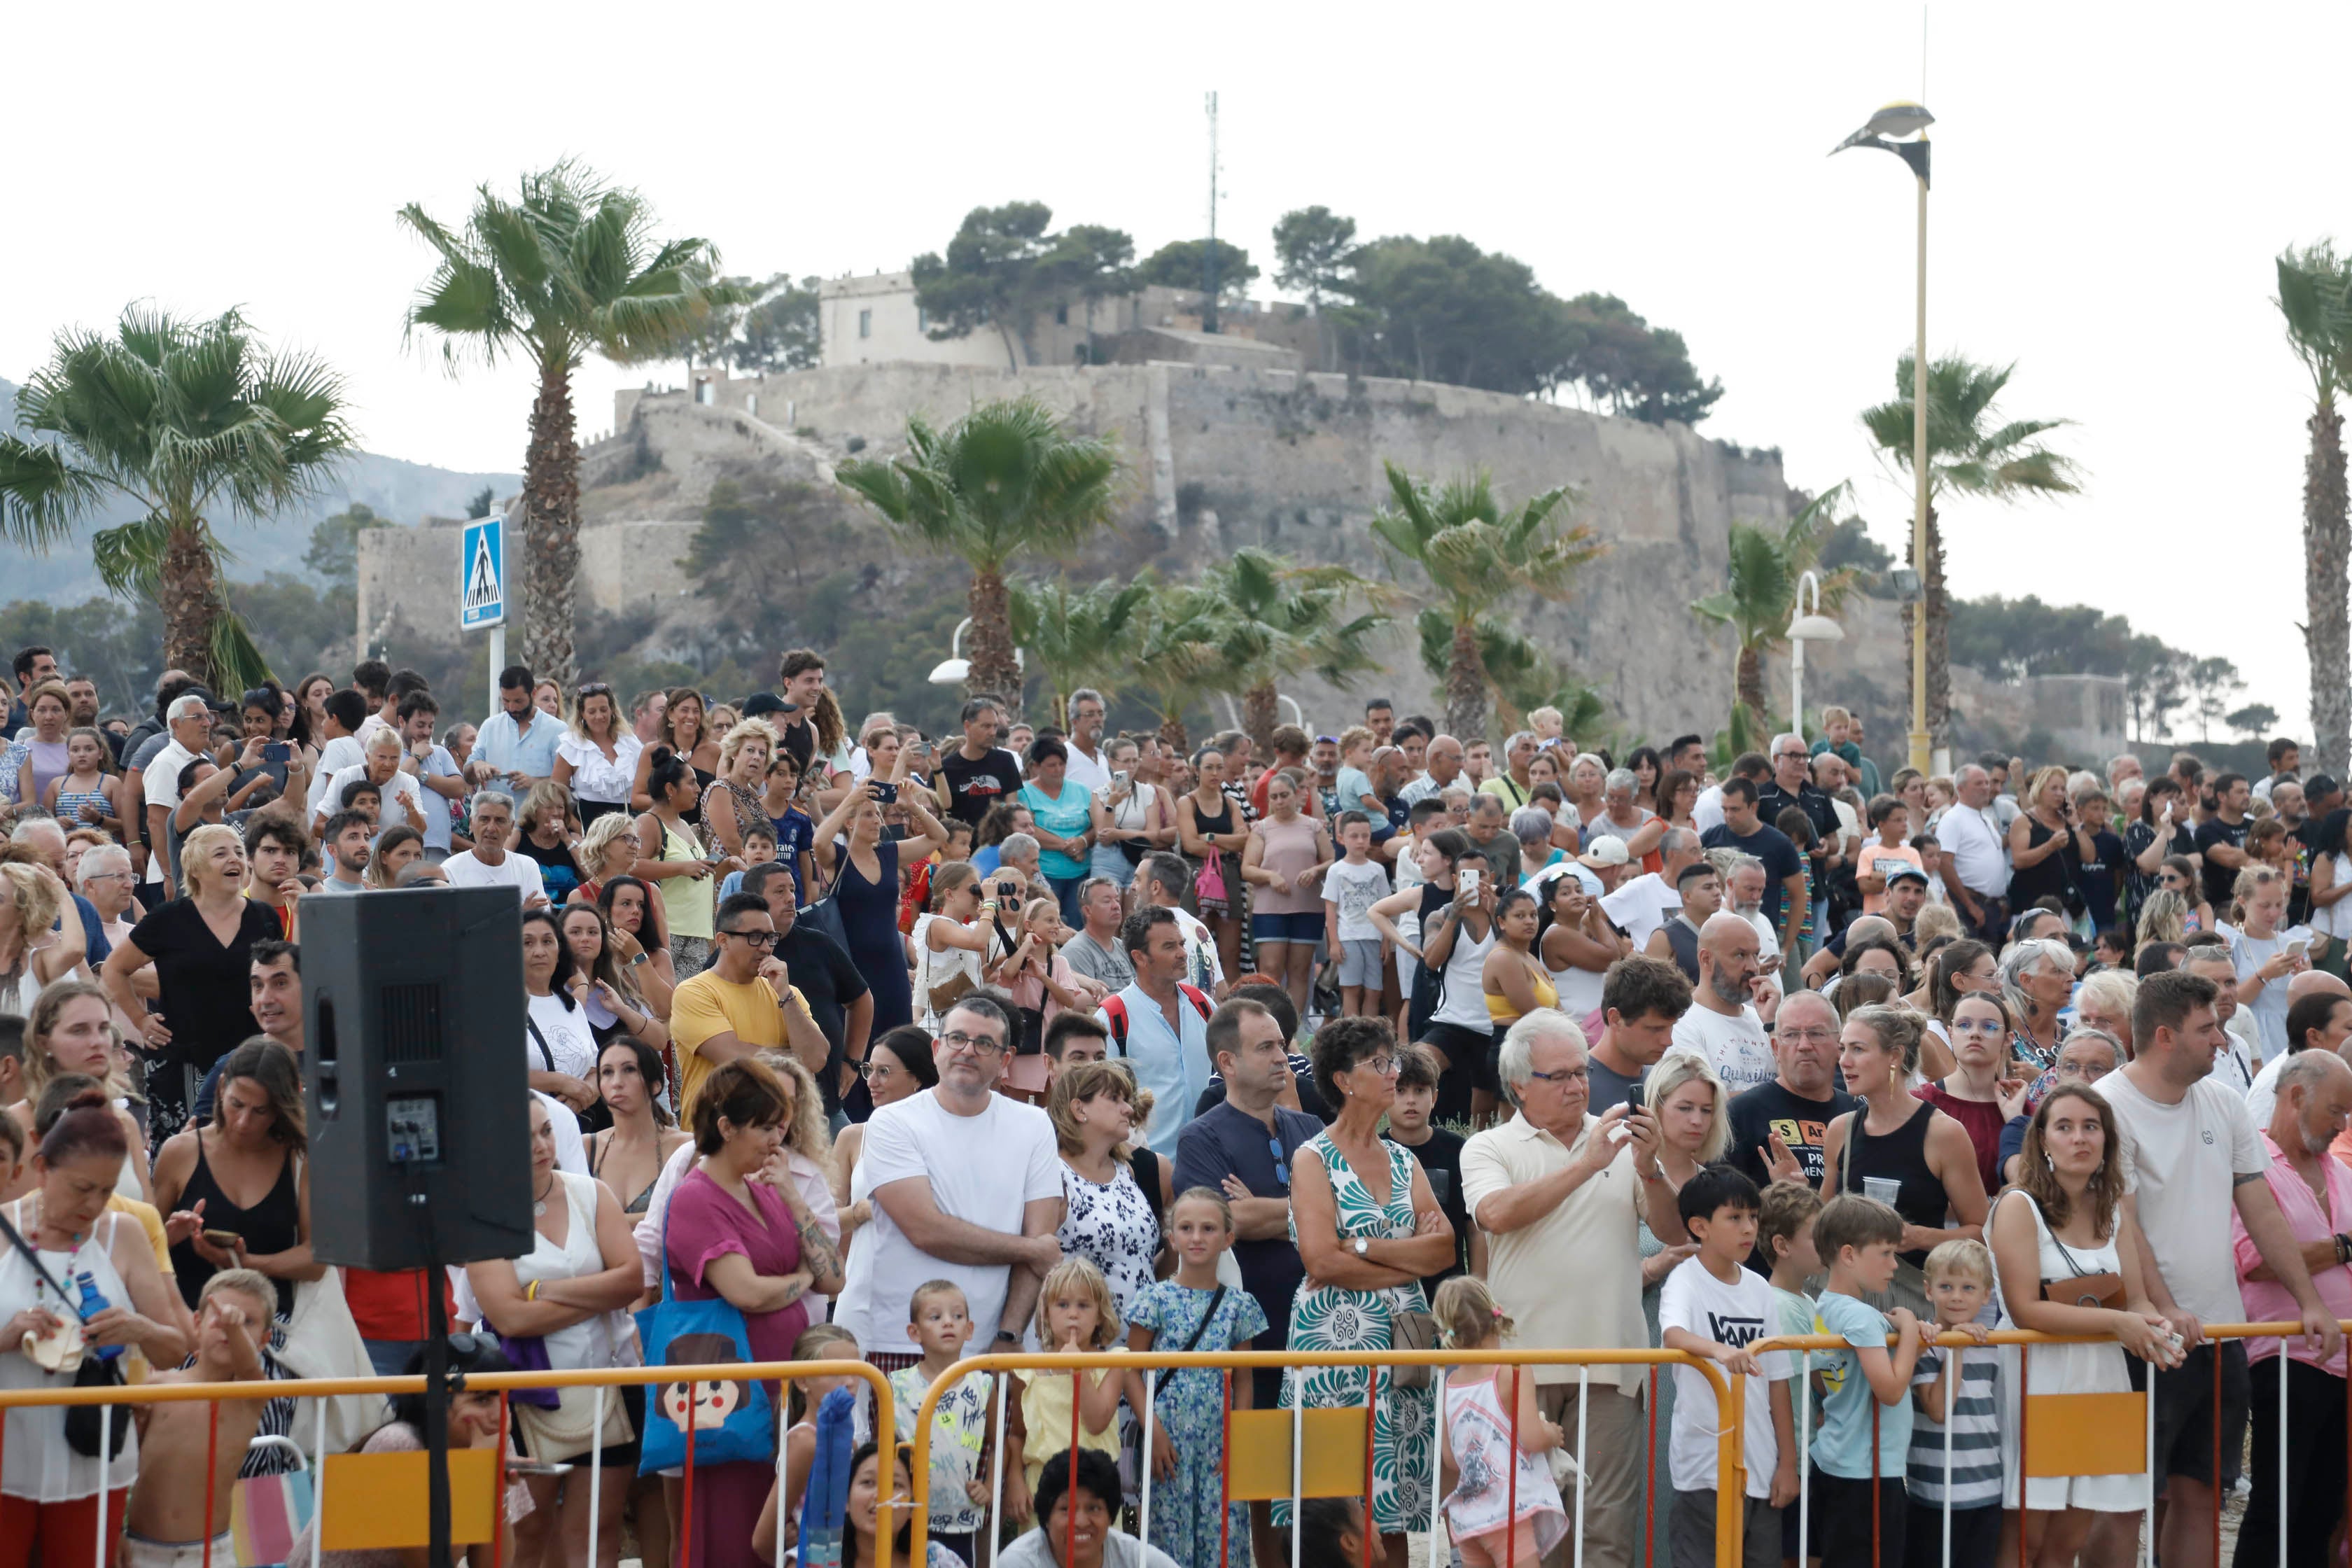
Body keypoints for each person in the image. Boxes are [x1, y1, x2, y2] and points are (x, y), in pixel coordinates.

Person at [2094, 969, 2342, 1568]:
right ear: (2163, 1036)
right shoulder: (2105, 1104)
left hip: (2221, 1333)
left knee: (2203, 1494)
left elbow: (2260, 1209)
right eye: (2207, 1029)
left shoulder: (2225, 1100)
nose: (2221, 1040)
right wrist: (2159, 1307)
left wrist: (2310, 1300)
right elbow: (2122, 1219)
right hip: (2139, 1335)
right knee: (2128, 1498)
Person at [1462, 1009, 1681, 1568]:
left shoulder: (1620, 1140)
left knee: (1604, 1533)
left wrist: (1651, 1168)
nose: (1577, 1085)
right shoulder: (1488, 1147)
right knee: (1529, 1537)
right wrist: (1587, 1166)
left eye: (1580, 1071)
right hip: (1521, 1368)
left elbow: (1676, 1233)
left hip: (1610, 1363)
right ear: (1517, 1085)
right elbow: (1496, 1214)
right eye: (1557, 1076)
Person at [658, 1056, 841, 1567]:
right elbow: (749, 1293)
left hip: (781, 1393)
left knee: (776, 1532)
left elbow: (833, 1275)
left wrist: (788, 1192)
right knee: (730, 1534)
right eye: (764, 1127)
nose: (776, 1140)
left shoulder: (767, 1186)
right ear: (725, 1127)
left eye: (780, 1126)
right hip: (729, 1399)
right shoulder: (695, 1197)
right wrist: (802, 1278)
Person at [1280, 1016, 1450, 1567]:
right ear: (1343, 1080)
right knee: (1333, 1503)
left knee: (1402, 1491)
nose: (1393, 1072)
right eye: (1378, 1063)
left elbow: (1445, 1252)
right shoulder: (1312, 1158)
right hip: (1335, 1344)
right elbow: (1319, 1258)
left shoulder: (1404, 1158)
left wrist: (1362, 1248)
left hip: (1406, 1340)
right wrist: (1403, 1260)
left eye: (1393, 1061)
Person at [1986, 1083, 2177, 1566]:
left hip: (2101, 1380)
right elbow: (2025, 1307)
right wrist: (2119, 1323)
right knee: (2024, 1538)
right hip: (2040, 1379)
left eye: (2091, 1127)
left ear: (2107, 1140)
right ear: (2043, 1140)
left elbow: (2135, 1299)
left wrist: (2155, 1327)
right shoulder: (2017, 1205)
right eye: (2065, 1127)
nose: (2080, 1138)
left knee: (2069, 1540)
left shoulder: (2113, 1209)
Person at [0, 1089, 188, 1567]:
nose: (95, 1204)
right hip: (6, 1447)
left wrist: (136, 1328)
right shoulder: (3, 1228)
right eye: (82, 1188)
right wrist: (7, 1336)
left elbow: (175, 1349)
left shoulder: (123, 1232)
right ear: (41, 1168)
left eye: (107, 1191)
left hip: (89, 1452)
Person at [467, 1096, 645, 1568]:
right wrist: (596, 1296)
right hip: (528, 1398)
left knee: (594, 1535)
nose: (540, 1146)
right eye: (523, 1139)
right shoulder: (482, 1219)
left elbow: (631, 1280)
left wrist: (543, 1290)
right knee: (528, 1532)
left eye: (545, 1131)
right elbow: (510, 1320)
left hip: (613, 1384)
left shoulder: (592, 1193)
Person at [836, 996, 1062, 1366]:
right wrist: (1030, 1249)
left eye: (985, 1044)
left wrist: (1009, 1333)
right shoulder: (891, 1122)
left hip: (990, 1344)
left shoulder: (1035, 1125)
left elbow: (1042, 1240)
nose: (968, 1051)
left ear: (1005, 1062)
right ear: (938, 1049)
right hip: (899, 1341)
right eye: (957, 1039)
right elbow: (925, 1230)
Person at [101, 823, 280, 1144]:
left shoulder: (264, 916)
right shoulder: (168, 919)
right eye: (221, 854)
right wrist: (140, 1019)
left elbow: (282, 979)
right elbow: (114, 968)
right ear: (195, 868)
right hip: (182, 1060)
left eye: (239, 852)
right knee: (184, 1157)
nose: (234, 860)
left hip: (252, 1058)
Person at [1657, 1165, 1794, 1568]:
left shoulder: (1759, 1288)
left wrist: (1787, 1464)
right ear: (1699, 1226)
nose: (1749, 1228)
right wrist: (1719, 1351)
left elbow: (1779, 1383)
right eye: (1734, 1218)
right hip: (1704, 1466)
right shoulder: (1685, 1280)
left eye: (1753, 1216)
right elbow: (1674, 1334)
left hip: (1761, 1465)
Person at [1126, 1186, 1266, 1566]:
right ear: (1171, 1237)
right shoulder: (1153, 1300)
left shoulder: (1240, 1306)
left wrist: (1238, 1438)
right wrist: (1152, 1430)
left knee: (1223, 1541)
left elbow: (1244, 1381)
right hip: (1167, 1445)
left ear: (1227, 1239)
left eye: (1208, 1228)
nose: (1197, 1237)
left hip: (1219, 1446)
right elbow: (1131, 1371)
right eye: (1186, 1228)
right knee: (1168, 1545)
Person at [1817, 1007, 1988, 1312]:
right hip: (1847, 1307)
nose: (1844, 1061)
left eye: (1858, 1049)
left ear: (1894, 1056)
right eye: (1843, 1049)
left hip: (1914, 1308)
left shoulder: (1943, 1133)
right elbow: (1821, 1228)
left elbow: (1981, 1232)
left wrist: (1920, 1237)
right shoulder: (1840, 1129)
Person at [124, 1269, 276, 1568]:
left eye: (248, 1322)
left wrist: (234, 1330)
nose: (231, 1326)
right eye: (220, 1317)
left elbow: (250, 1371)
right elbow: (124, 1463)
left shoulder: (249, 1394)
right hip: (141, 1547)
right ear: (197, 1323)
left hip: (208, 1554)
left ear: (264, 1340)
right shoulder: (158, 1386)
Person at [1805, 1194, 1921, 1568]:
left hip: (1838, 1461)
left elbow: (1829, 1383)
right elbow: (1888, 1390)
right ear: (1849, 1255)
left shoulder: (1824, 1305)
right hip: (1868, 1472)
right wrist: (1911, 1333)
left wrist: (1906, 1345)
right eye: (1885, 1253)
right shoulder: (1862, 1318)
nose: (1893, 1265)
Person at [1431, 1273, 1571, 1568]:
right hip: (1508, 1511)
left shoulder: (1451, 1382)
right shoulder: (1511, 1371)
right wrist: (1552, 1433)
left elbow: (1451, 1458)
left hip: (1468, 1518)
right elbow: (1532, 1437)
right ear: (1495, 1316)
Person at [668, 892, 826, 1122]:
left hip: (781, 1133)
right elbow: (735, 1057)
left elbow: (816, 1059)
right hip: (714, 1139)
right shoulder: (693, 992)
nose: (765, 948)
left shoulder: (788, 993)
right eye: (754, 937)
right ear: (723, 940)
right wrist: (796, 1059)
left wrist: (785, 996)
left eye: (770, 938)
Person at [741, 861, 872, 1121]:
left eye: (792, 889)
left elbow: (861, 1000)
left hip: (826, 1107)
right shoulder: (735, 957)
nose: (791, 898)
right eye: (779, 892)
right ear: (754, 901)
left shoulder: (819, 943)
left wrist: (853, 1061)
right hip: (761, 1109)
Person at [1048, 1060, 1161, 1321]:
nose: (1128, 1109)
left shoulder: (1126, 1171)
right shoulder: (1055, 1176)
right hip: (1083, 1345)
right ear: (1078, 1109)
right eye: (1114, 1099)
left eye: (1127, 1100)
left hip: (1140, 1343)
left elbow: (1137, 1263)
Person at [1105, 909, 1214, 1155]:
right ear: (1140, 957)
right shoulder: (1113, 1017)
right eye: (1169, 947)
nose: (1182, 954)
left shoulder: (1204, 1005)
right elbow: (1105, 1101)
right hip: (1145, 1165)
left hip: (1209, 1161)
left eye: (1182, 944)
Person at [827, 1026, 938, 1249]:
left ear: (916, 1078)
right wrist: (867, 1210)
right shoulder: (852, 1138)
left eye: (884, 1072)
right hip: (866, 1271)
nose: (870, 1082)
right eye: (869, 1070)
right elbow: (826, 1218)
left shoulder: (944, 1139)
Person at [1382, 1043, 1480, 1284]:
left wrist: (1479, 1285)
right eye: (1400, 1090)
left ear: (1434, 1097)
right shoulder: (1373, 1151)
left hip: (1449, 1288)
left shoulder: (1459, 1150)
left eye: (1420, 1090)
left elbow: (1475, 1229)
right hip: (1390, 1286)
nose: (1411, 1101)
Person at [1240, 771, 1332, 1020]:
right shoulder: (1262, 828)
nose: (1280, 801)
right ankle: (1269, 1022)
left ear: (1296, 795)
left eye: (1284, 795)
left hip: (1308, 907)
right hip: (1270, 908)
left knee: (1300, 971)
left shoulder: (1313, 826)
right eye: (1274, 797)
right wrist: (1270, 877)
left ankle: (1296, 1027)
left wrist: (1315, 870)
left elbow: (1332, 861)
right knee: (1270, 969)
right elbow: (1248, 868)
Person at [1917, 991, 2025, 1197]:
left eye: (1989, 1027)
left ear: (2008, 1040)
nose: (1975, 1034)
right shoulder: (1920, 1102)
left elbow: (2035, 1187)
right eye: (1964, 1025)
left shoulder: (2022, 1108)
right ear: (1950, 1033)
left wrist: (2016, 1120)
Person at [996, 1448, 1180, 1568]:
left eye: (1094, 1508)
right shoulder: (1018, 1562)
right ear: (1046, 1517)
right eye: (1066, 1509)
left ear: (1110, 1516)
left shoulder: (1136, 1558)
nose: (1081, 1522)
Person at [1699, 778, 1806, 958]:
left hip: (1767, 932)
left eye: (1735, 809)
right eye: (1724, 809)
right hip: (1722, 936)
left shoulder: (1780, 844)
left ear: (1753, 807)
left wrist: (1786, 947)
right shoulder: (1711, 838)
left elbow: (1799, 897)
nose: (1728, 815)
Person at [634, 748, 718, 974]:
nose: (698, 789)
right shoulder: (649, 822)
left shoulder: (684, 825)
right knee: (667, 1002)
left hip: (698, 931)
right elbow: (632, 866)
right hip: (668, 930)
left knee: (690, 1003)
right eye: (692, 783)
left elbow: (693, 873)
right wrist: (683, 867)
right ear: (670, 788)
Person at [585, 1037, 691, 1216]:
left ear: (656, 1085)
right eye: (607, 1072)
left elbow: (692, 1216)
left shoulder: (686, 1148)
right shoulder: (587, 1147)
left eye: (629, 1070)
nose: (616, 1082)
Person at [1671, 912, 1774, 1095]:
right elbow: (1699, 1101)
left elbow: (1797, 1085)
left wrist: (1773, 1025)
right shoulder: (1682, 1024)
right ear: (1706, 959)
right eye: (1740, 955)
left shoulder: (1765, 1020)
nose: (1752, 966)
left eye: (1756, 955)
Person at [1177, 749, 1250, 986]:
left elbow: (1244, 839)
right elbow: (1190, 844)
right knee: (1195, 945)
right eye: (1209, 767)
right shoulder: (1187, 802)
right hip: (1197, 875)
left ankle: (1232, 1006)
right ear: (1196, 771)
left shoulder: (1230, 804)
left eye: (1220, 767)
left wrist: (1209, 837)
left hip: (1228, 875)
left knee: (1231, 953)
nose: (1215, 773)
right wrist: (1227, 844)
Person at [1322, 812, 1390, 1019]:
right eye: (1354, 836)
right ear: (1341, 838)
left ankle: (1370, 1031)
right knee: (1351, 988)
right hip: (1349, 937)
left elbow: (1385, 907)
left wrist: (1386, 940)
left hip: (1374, 937)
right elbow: (1330, 909)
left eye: (1365, 835)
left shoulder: (1378, 870)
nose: (1360, 841)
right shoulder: (1336, 870)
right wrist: (1334, 942)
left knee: (1374, 990)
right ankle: (1353, 1032)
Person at [442, 791, 551, 909]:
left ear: (511, 827)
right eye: (484, 819)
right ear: (471, 824)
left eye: (500, 821)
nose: (491, 828)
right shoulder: (451, 869)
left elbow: (540, 918)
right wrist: (521, 914)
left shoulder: (527, 866)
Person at [1060, 876, 1135, 995]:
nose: (1116, 906)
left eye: (1117, 899)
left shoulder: (1123, 946)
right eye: (1107, 901)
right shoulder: (1076, 951)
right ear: (1088, 911)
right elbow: (1087, 1006)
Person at [2195, 771, 2255, 915]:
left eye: (2248, 791)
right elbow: (2230, 859)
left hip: (2257, 902)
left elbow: (2276, 858)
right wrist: (2260, 855)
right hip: (2223, 907)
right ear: (2221, 796)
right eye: (2240, 792)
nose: (2247, 796)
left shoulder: (2256, 827)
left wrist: (2237, 853)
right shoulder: (2206, 831)